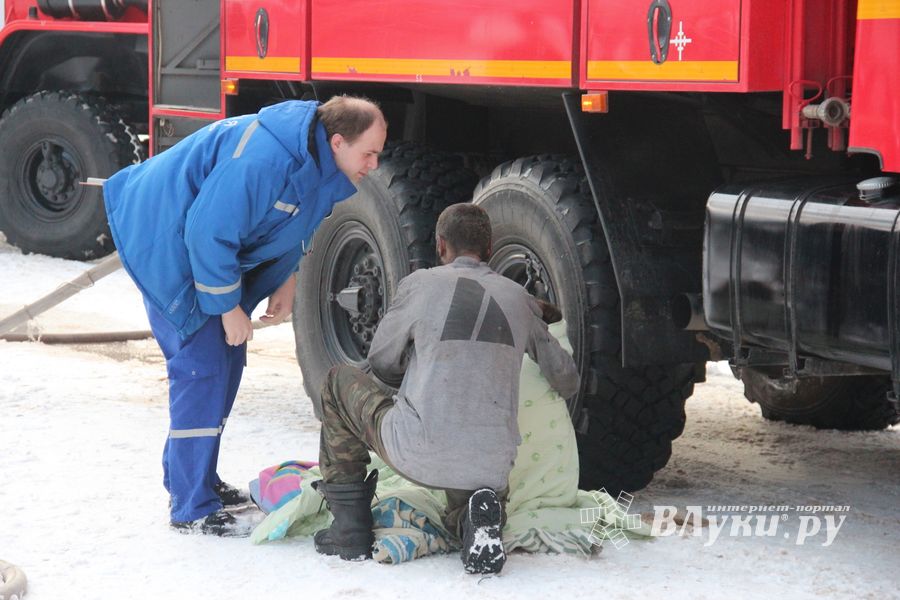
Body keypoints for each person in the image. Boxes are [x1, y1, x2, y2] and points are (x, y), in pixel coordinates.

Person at [102, 96, 387, 536]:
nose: (374, 163)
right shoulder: (264, 160)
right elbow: (206, 230)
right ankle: (190, 506)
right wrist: (227, 307)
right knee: (203, 368)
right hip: (165, 239)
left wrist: (287, 277)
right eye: (369, 152)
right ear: (337, 142)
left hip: (198, 246)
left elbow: (293, 222)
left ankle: (194, 479)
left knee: (226, 362)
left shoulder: (319, 165)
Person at [312, 203, 579, 573]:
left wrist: (417, 375)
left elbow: (381, 361)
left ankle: (349, 529)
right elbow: (566, 378)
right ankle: (478, 520)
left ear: (440, 246)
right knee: (470, 492)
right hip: (490, 465)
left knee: (336, 381)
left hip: (417, 450)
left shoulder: (419, 285)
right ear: (490, 249)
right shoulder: (519, 299)